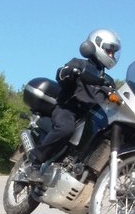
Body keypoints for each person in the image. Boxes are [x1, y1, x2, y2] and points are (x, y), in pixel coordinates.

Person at [26, 29, 120, 182]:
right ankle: (35, 163)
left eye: (114, 52)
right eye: (109, 50)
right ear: (96, 45)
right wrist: (70, 72)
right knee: (65, 128)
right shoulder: (79, 63)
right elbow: (61, 75)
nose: (112, 55)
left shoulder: (108, 81)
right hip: (68, 109)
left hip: (89, 118)